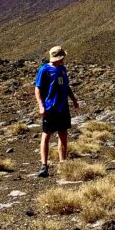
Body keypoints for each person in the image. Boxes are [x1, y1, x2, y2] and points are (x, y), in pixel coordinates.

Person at [35, 45, 78, 176]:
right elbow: (38, 89)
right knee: (46, 135)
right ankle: (44, 166)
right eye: (62, 57)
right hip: (50, 108)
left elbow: (66, 86)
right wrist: (41, 106)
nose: (63, 60)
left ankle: (62, 164)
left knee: (63, 134)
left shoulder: (62, 69)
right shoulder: (44, 70)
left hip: (63, 107)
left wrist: (74, 100)